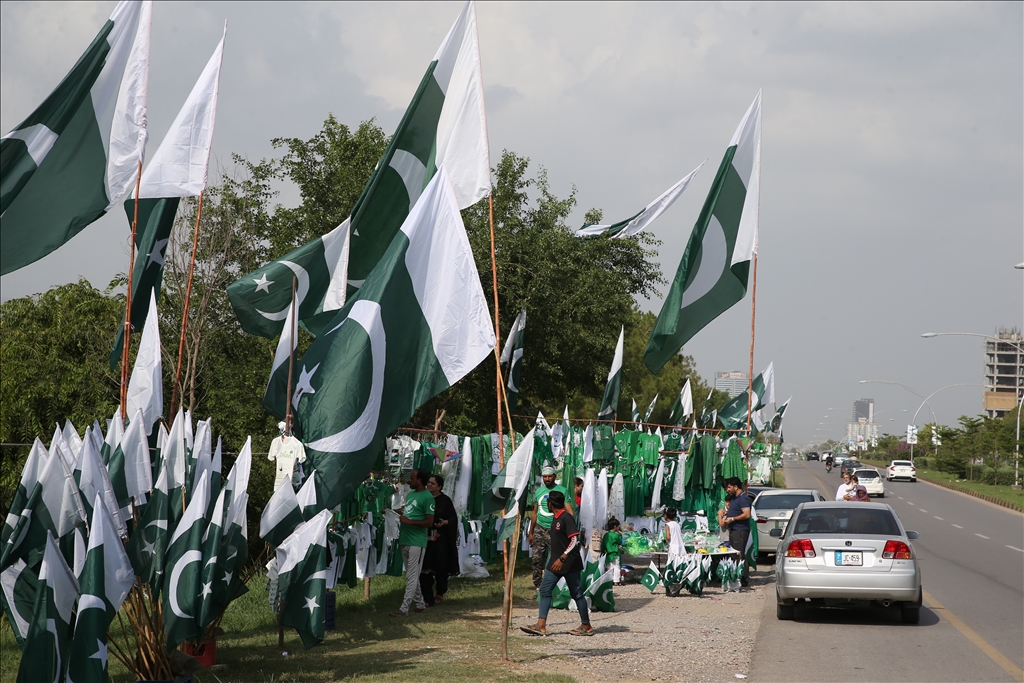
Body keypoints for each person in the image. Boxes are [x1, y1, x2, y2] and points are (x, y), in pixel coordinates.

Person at [520, 491, 593, 637]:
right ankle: (541, 625)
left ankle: (586, 625)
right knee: (545, 590)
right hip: (554, 564)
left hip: (569, 563)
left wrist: (563, 557)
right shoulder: (555, 518)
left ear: (550, 504)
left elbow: (574, 540)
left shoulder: (566, 518)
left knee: (577, 594)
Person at [390, 468, 434, 617]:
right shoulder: (411, 494)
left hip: (417, 541)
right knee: (411, 574)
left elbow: (429, 522)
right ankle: (420, 604)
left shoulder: (428, 498)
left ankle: (404, 608)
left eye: (412, 478)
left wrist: (410, 522)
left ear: (419, 481)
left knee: (412, 575)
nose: (409, 481)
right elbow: (408, 512)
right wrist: (392, 512)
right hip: (405, 538)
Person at [528, 466, 573, 589]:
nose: (547, 479)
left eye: (549, 476)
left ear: (554, 476)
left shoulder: (562, 491)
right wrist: (531, 532)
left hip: (555, 529)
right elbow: (534, 513)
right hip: (540, 528)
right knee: (537, 559)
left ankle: (558, 586)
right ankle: (538, 586)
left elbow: (569, 512)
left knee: (557, 558)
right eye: (545, 477)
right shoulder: (539, 492)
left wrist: (567, 529)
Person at [421, 474, 459, 606]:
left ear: (440, 487)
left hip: (440, 541)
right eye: (429, 482)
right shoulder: (424, 498)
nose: (429, 485)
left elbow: (453, 518)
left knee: (440, 568)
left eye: (432, 483)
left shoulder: (445, 501)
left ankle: (440, 592)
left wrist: (445, 523)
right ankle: (427, 598)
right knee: (424, 569)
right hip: (425, 539)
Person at [722, 478, 752, 588]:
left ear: (735, 487)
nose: (727, 490)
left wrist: (732, 519)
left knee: (739, 554)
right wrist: (728, 513)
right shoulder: (735, 498)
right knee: (734, 554)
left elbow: (747, 514)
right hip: (734, 530)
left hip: (740, 530)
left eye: (729, 487)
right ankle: (737, 577)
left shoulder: (744, 498)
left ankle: (742, 579)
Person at [602, 518, 624, 585]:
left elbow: (603, 544)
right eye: (618, 526)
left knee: (610, 567)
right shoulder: (616, 535)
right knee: (617, 567)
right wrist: (620, 534)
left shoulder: (606, 535)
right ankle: (616, 581)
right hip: (615, 553)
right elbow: (620, 542)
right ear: (615, 526)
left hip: (608, 553)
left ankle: (610, 580)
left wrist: (603, 551)